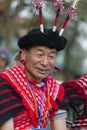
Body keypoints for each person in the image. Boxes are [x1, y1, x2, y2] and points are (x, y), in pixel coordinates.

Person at [0, 28, 68, 130]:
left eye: (51, 56)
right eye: (39, 55)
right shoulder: (6, 83)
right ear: (24, 54)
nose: (45, 62)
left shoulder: (55, 90)